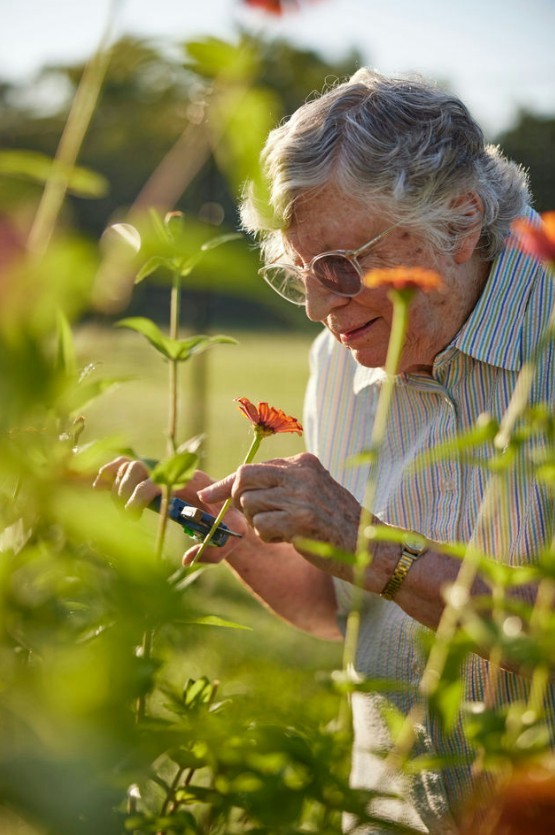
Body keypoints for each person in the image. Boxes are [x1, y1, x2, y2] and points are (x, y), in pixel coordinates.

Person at [97, 69, 555, 833]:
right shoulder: (339, 355)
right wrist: (227, 530)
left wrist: (369, 545)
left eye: (339, 266)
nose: (316, 306)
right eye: (296, 271)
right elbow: (340, 612)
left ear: (460, 219)